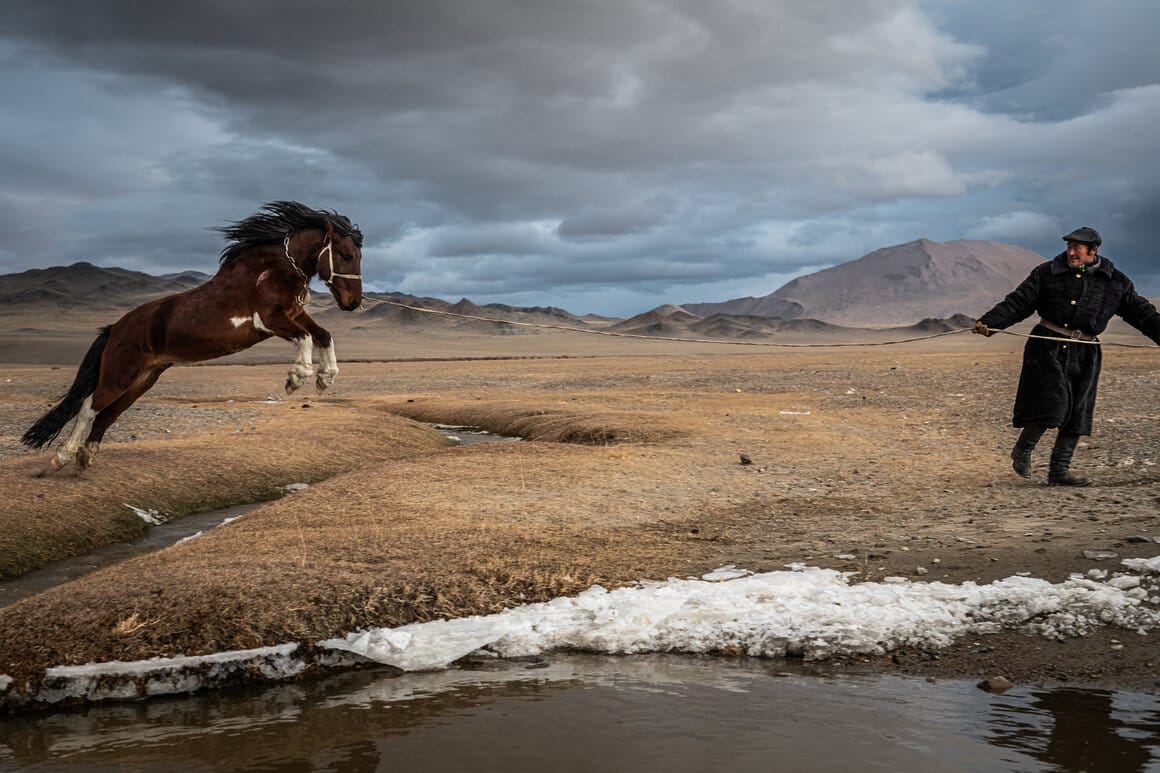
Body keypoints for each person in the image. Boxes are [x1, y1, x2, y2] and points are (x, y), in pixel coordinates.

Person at [973, 227, 1160, 486]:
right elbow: (1019, 302)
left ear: (1093, 251)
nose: (1071, 252)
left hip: (1087, 352)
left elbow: (1143, 313)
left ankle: (1059, 473)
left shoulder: (1116, 282)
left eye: (1077, 248)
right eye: (1069, 246)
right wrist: (991, 323)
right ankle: (1023, 450)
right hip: (1048, 346)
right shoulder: (1046, 273)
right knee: (1053, 404)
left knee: (1077, 414)